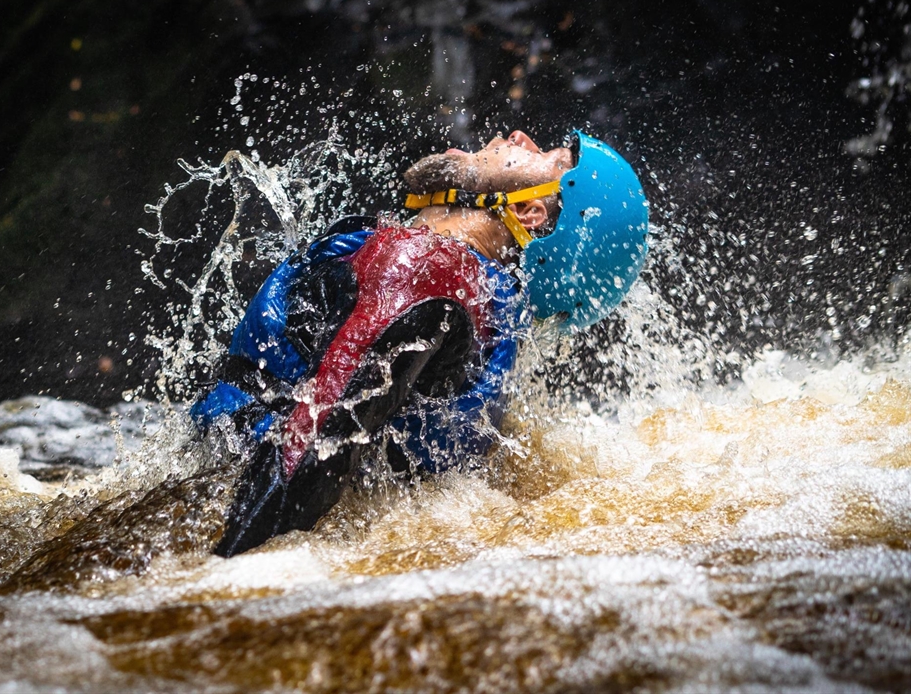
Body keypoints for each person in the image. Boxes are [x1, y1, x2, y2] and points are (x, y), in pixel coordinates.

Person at [191, 129, 649, 557]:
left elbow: (313, 446)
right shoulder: (484, 309)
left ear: (531, 213)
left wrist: (223, 580)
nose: (519, 137)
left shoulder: (425, 267)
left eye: (549, 157)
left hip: (241, 520)